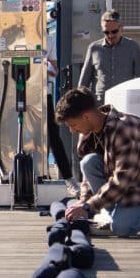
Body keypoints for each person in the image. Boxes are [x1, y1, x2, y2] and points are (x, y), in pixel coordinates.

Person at [55, 87, 140, 237]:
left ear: (86, 116)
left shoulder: (126, 129)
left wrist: (88, 207)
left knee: (121, 228)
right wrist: (83, 201)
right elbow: (88, 178)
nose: (71, 131)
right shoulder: (88, 133)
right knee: (88, 162)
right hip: (123, 185)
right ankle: (115, 212)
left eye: (73, 125)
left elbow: (122, 180)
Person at [79, 10, 140, 104]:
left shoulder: (132, 47)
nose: (110, 35)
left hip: (124, 103)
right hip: (100, 105)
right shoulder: (94, 48)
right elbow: (84, 81)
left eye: (114, 31)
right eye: (106, 32)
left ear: (122, 28)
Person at [45, 31, 79, 195]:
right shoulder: (14, 36)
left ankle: (68, 178)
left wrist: (41, 64)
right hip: (17, 94)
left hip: (42, 93)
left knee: (53, 136)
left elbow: (55, 69)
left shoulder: (49, 40)